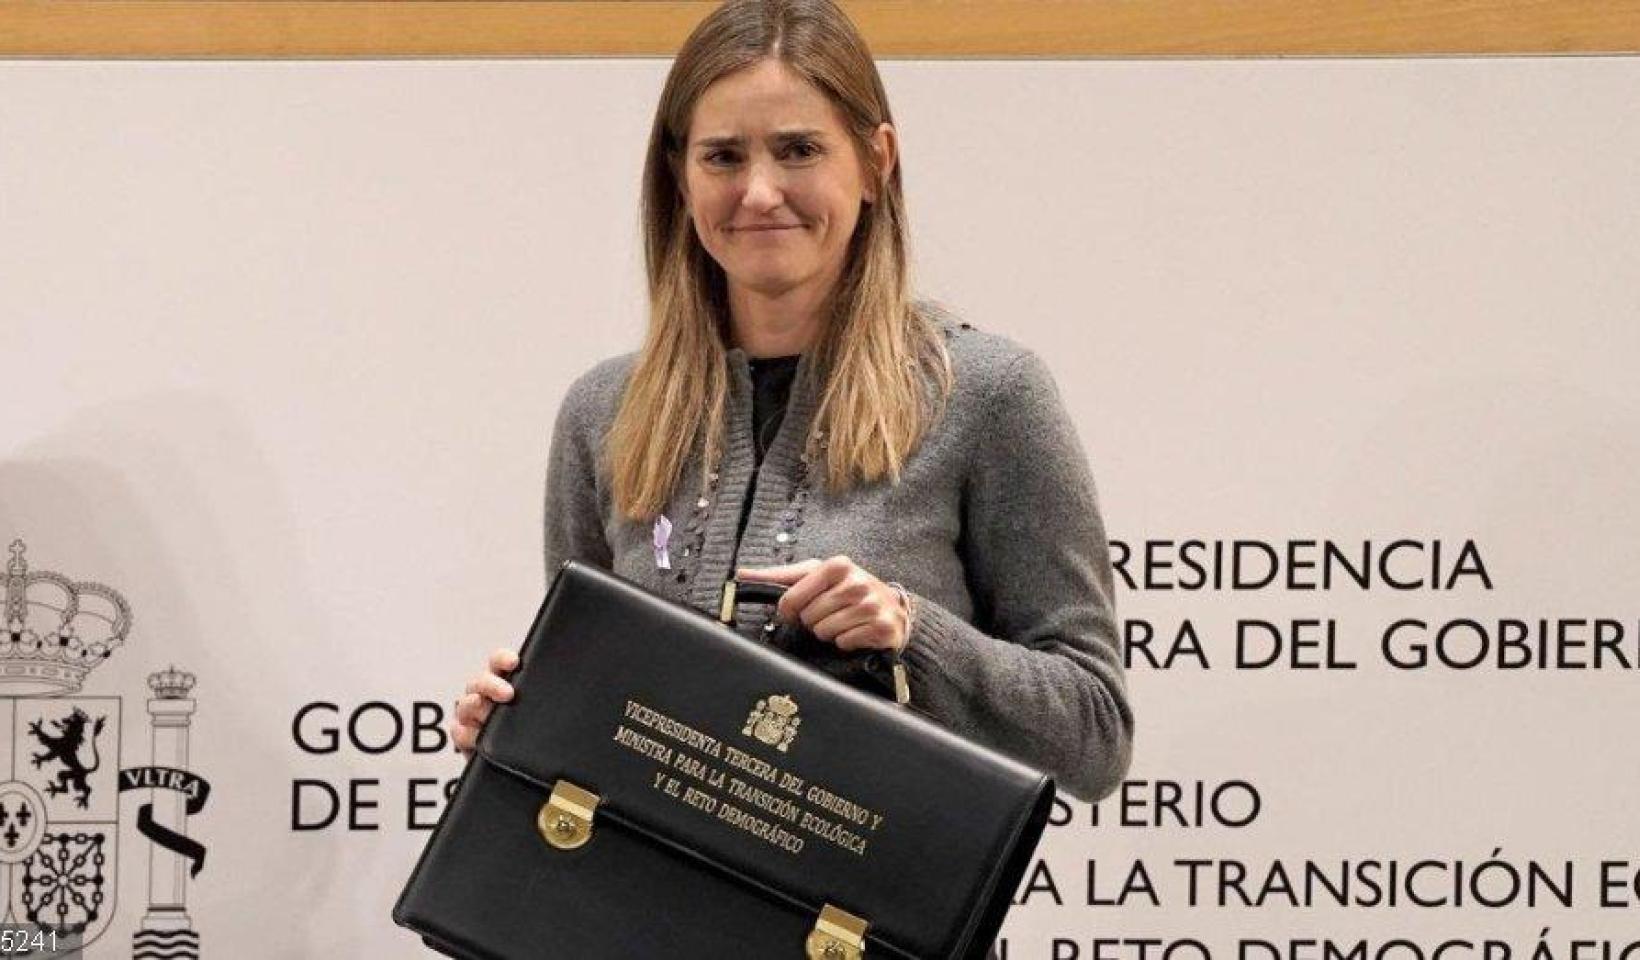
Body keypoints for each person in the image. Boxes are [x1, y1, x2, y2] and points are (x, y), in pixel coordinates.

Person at [449, 0, 1132, 810]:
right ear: (680, 178)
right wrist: (524, 726)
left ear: (876, 162)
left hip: (874, 889)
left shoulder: (987, 394)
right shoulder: (605, 412)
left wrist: (913, 633)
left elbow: (1095, 737)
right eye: (723, 156)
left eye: (799, 150)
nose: (760, 191)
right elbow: (601, 720)